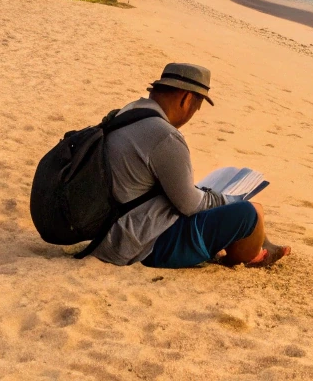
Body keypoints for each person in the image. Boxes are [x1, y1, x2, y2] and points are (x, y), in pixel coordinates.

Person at [91, 62, 288, 269]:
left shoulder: (127, 113)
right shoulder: (165, 136)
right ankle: (242, 257)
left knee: (226, 205)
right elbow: (189, 205)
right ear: (186, 99)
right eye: (196, 107)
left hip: (108, 232)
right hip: (142, 244)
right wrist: (227, 199)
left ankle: (261, 244)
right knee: (249, 212)